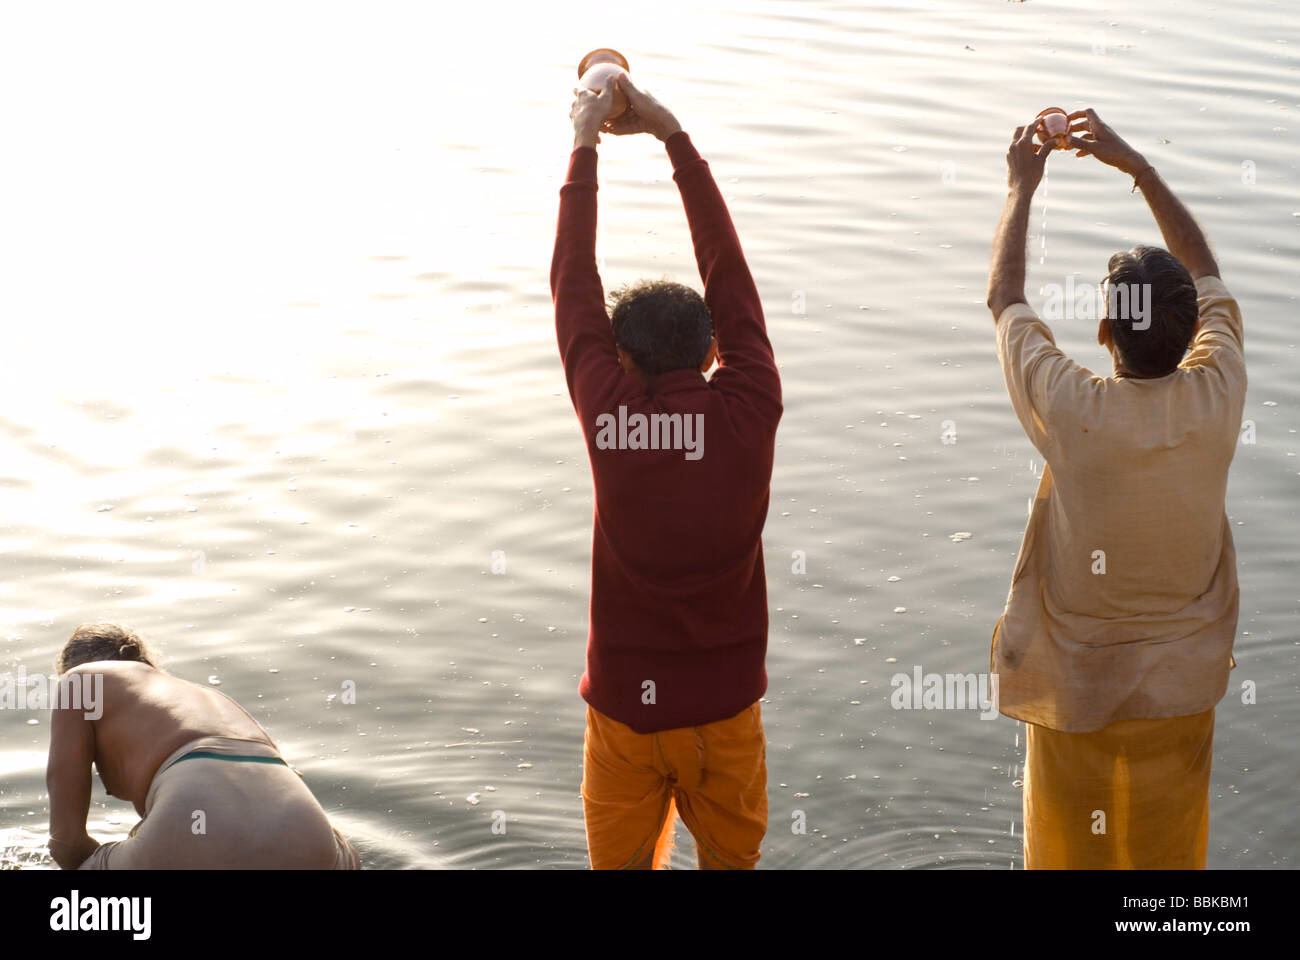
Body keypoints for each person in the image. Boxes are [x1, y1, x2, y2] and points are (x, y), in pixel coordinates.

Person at [985, 110, 1245, 868]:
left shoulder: (1073, 410)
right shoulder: (1220, 387)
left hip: (1076, 687)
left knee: (1070, 859)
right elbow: (1206, 270)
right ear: (1196, 327)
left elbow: (1005, 297)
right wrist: (1138, 166)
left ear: (1105, 332)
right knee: (1166, 876)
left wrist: (1020, 184)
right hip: (1182, 686)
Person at [551, 73, 782, 869]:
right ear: (715, 352)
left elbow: (570, 286)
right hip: (725, 714)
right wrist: (672, 136)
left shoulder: (610, 418)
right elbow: (733, 280)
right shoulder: (751, 408)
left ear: (617, 359)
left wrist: (583, 143)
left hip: (624, 718)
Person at [46, 623, 360, 869]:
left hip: (194, 831)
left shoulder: (79, 682)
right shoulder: (213, 702)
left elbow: (67, 844)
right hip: (309, 839)